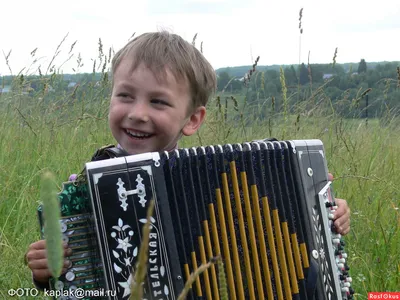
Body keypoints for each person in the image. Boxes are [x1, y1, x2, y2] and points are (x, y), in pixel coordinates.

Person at [25, 31, 350, 290]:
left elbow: (266, 243)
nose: (137, 114)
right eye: (125, 95)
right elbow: (69, 274)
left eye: (158, 102)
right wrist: (46, 272)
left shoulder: (221, 181)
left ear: (192, 120)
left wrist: (329, 215)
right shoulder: (89, 189)